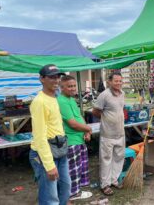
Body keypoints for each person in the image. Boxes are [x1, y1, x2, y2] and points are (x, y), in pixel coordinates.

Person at [29, 64, 71, 205]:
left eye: (58, 76)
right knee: (50, 197)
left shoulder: (55, 97)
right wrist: (49, 165)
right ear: (41, 79)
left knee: (65, 188)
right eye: (52, 77)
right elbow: (39, 137)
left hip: (59, 150)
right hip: (44, 154)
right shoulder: (39, 102)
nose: (56, 80)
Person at [57, 75, 93, 201]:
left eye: (74, 86)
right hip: (71, 141)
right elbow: (72, 123)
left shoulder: (71, 99)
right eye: (69, 86)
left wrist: (86, 130)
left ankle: (77, 191)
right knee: (72, 170)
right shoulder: (61, 101)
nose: (73, 89)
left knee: (79, 167)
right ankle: (72, 194)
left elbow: (79, 116)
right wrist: (87, 129)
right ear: (62, 88)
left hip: (79, 138)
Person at [92, 72, 125, 196]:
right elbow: (95, 111)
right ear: (109, 82)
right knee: (106, 159)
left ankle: (114, 180)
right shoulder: (104, 95)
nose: (118, 83)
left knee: (118, 158)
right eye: (116, 81)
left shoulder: (123, 94)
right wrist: (106, 118)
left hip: (120, 132)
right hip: (107, 134)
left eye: (120, 81)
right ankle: (105, 184)